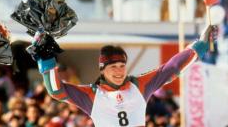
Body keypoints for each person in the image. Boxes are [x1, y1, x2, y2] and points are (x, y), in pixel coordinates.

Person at [29, 24, 216, 126]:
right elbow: (56, 91)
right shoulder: (92, 95)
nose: (119, 71)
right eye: (113, 67)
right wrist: (47, 60)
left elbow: (171, 68)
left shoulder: (140, 85)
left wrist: (200, 45)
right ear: (102, 69)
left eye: (122, 65)